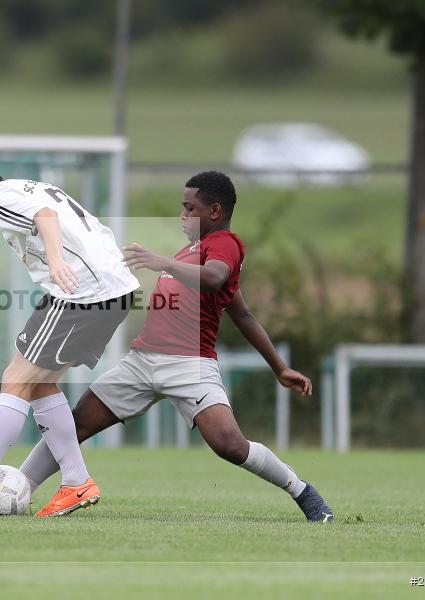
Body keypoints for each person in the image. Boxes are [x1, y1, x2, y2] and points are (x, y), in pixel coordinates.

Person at [17, 171, 335, 523]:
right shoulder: (191, 250)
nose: (182, 215)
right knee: (76, 423)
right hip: (141, 361)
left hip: (189, 365)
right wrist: (280, 366)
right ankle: (19, 489)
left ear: (215, 211)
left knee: (229, 445)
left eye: (189, 208)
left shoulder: (225, 244)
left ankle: (302, 491)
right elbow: (242, 313)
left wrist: (162, 262)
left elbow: (215, 279)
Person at [0, 148, 139, 516]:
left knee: (15, 379)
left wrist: (53, 260)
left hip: (83, 294)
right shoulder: (26, 187)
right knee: (38, 385)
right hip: (109, 291)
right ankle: (76, 482)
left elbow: (46, 217)